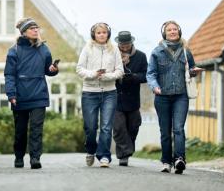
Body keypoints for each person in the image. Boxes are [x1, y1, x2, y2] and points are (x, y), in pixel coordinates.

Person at [146, 20, 203, 174]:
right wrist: (154, 86)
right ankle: (166, 161)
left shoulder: (186, 51)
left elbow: (190, 69)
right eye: (169, 30)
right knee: (165, 130)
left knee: (178, 128)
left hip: (181, 96)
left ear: (179, 31)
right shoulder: (157, 52)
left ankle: (179, 159)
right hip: (162, 96)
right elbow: (150, 74)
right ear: (164, 33)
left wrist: (194, 71)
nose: (172, 32)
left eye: (175, 29)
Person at [4, 18, 58, 169]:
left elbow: (48, 70)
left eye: (37, 28)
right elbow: (9, 75)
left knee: (36, 129)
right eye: (32, 28)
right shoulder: (14, 50)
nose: (36, 30)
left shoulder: (44, 49)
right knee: (20, 131)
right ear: (24, 32)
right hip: (20, 96)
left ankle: (35, 158)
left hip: (39, 94)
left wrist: (53, 69)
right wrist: (11, 94)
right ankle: (19, 156)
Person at [76, 23, 124, 168]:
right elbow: (79, 69)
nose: (102, 35)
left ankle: (104, 156)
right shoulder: (87, 48)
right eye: (99, 33)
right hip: (90, 92)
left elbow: (120, 71)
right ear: (94, 35)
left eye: (104, 32)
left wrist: (106, 76)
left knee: (106, 127)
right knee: (90, 127)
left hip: (109, 93)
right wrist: (93, 74)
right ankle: (91, 150)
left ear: (108, 34)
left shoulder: (114, 49)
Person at [113, 31, 148, 166]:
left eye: (127, 44)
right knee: (118, 128)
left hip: (133, 98)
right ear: (118, 44)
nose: (125, 46)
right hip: (115, 97)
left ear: (131, 43)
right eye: (122, 44)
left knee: (133, 126)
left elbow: (145, 75)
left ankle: (127, 149)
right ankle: (124, 154)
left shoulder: (141, 56)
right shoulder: (112, 55)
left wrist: (133, 77)